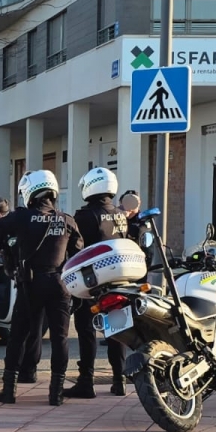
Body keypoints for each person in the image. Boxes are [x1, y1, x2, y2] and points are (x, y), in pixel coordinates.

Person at [0, 170, 82, 406]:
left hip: (30, 285)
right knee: (60, 339)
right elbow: (78, 255)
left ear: (29, 192)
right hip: (59, 285)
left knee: (18, 336)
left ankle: (9, 390)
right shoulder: (67, 220)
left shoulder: (21, 217)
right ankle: (56, 393)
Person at [67, 167, 130, 399]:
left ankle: (86, 382)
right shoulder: (120, 214)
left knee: (87, 331)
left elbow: (75, 248)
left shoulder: (84, 216)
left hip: (91, 281)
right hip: (117, 280)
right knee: (116, 330)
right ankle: (119, 379)